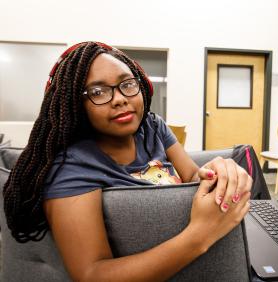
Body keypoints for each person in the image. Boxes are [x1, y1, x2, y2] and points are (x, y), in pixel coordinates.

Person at [3, 41, 252, 281]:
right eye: (98, 92)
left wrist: (217, 171)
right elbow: (92, 274)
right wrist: (200, 236)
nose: (120, 98)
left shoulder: (152, 127)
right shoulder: (71, 168)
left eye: (127, 84)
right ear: (75, 105)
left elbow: (192, 176)